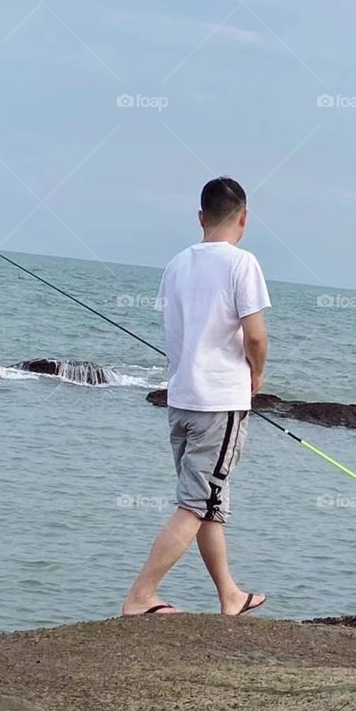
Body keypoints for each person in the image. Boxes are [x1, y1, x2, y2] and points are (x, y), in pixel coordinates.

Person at [122, 176, 270, 617]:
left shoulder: (176, 265)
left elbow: (181, 328)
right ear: (243, 218)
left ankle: (230, 594)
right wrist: (256, 376)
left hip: (181, 399)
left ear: (200, 217)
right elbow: (256, 336)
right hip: (218, 403)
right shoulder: (242, 264)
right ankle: (141, 595)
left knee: (209, 502)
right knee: (196, 504)